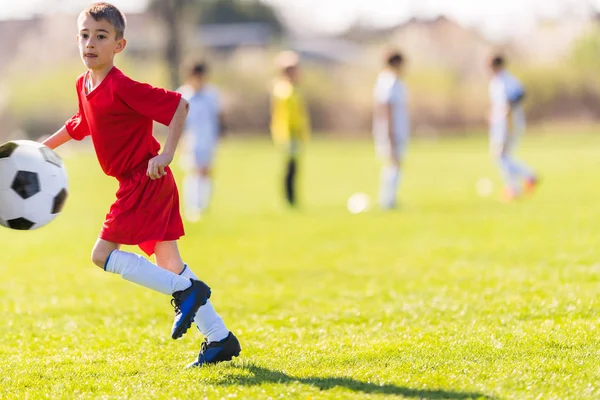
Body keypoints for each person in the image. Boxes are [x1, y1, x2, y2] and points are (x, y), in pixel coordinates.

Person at [41, 2, 240, 368]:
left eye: (101, 36)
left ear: (119, 45)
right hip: (139, 183)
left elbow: (179, 106)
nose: (90, 43)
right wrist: (39, 150)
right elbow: (79, 124)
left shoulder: (122, 86)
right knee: (168, 261)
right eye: (85, 36)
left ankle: (185, 291)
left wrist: (166, 154)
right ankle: (220, 338)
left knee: (101, 255)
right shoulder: (84, 85)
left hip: (144, 181)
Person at [177, 61, 225, 222]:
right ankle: (193, 207)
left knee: (206, 171)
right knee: (194, 171)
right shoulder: (183, 95)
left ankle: (203, 205)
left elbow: (218, 116)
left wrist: (219, 134)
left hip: (208, 138)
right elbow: (178, 121)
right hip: (191, 139)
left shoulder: (212, 94)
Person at [488, 54, 538, 201]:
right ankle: (523, 179)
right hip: (500, 124)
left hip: (508, 124)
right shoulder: (495, 82)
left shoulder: (507, 80)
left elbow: (520, 93)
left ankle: (519, 183)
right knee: (502, 156)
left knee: (500, 156)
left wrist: (508, 111)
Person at [270, 51, 311, 207]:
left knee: (295, 168)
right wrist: (289, 134)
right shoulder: (284, 90)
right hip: (288, 134)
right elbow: (285, 117)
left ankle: (293, 199)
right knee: (290, 168)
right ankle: (289, 199)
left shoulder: (294, 89)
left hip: (295, 133)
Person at [372, 50, 409, 209]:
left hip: (394, 129)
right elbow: (387, 108)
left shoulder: (387, 80)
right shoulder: (390, 81)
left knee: (394, 164)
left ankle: (388, 200)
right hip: (392, 130)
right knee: (393, 163)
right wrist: (390, 132)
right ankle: (388, 201)